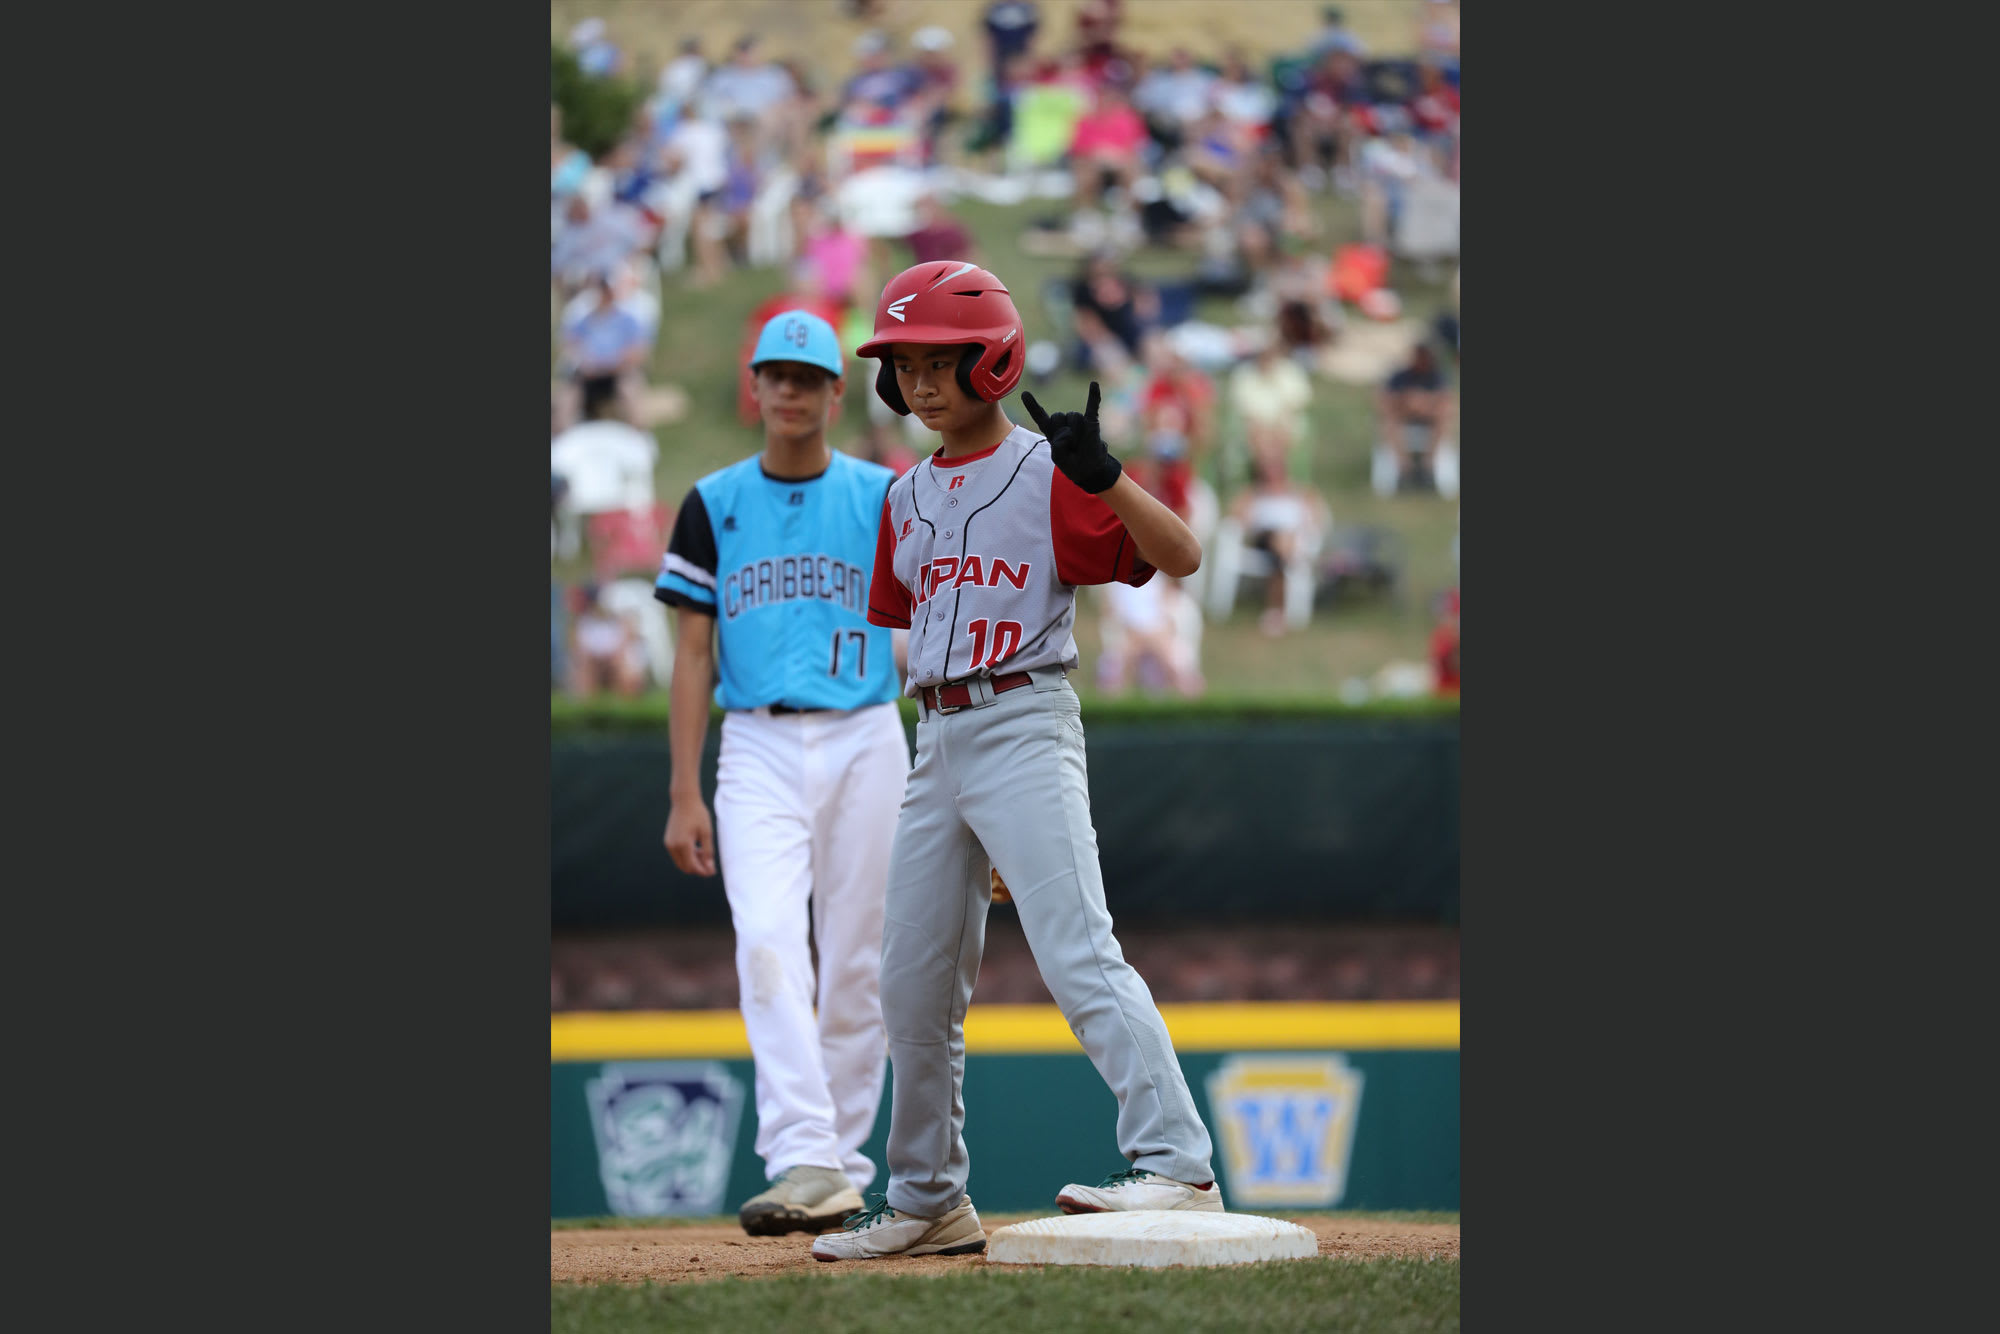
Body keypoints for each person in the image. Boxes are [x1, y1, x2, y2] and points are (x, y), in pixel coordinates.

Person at [810, 261, 1220, 1263]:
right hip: (935, 736)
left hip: (1023, 713)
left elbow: (1181, 557)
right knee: (908, 982)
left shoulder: (1048, 470)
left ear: (990, 359)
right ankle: (927, 1199)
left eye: (937, 358)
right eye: (901, 363)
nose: (916, 379)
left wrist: (1108, 477)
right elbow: (905, 629)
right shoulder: (902, 495)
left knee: (1077, 948)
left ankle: (1177, 1161)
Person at [654, 310, 910, 1238]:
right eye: (778, 375)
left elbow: (926, 637)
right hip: (756, 741)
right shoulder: (712, 500)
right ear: (754, 387)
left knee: (857, 960)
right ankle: (805, 1151)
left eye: (809, 377)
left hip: (866, 732)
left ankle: (837, 1167)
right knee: (765, 939)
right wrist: (686, 789)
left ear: (838, 393)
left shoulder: (885, 496)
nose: (793, 392)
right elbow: (690, 654)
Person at [1373, 341, 1458, 498]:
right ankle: (1404, 470)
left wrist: (1424, 404)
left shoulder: (1437, 377)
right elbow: (1383, 401)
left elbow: (1447, 401)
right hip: (1403, 418)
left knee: (1444, 419)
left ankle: (1428, 468)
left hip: (1430, 420)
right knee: (1389, 423)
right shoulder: (1400, 377)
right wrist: (1407, 402)